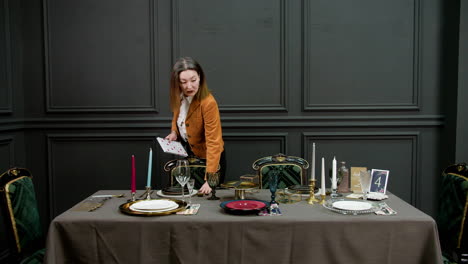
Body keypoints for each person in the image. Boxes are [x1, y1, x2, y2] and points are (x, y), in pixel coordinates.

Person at [165, 57, 225, 195]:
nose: (189, 86)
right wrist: (174, 132)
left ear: (200, 78)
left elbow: (214, 142)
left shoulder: (208, 103)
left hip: (211, 159)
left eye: (193, 80)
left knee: (207, 200)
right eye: (183, 82)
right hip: (190, 154)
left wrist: (210, 178)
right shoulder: (179, 95)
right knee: (190, 198)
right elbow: (177, 117)